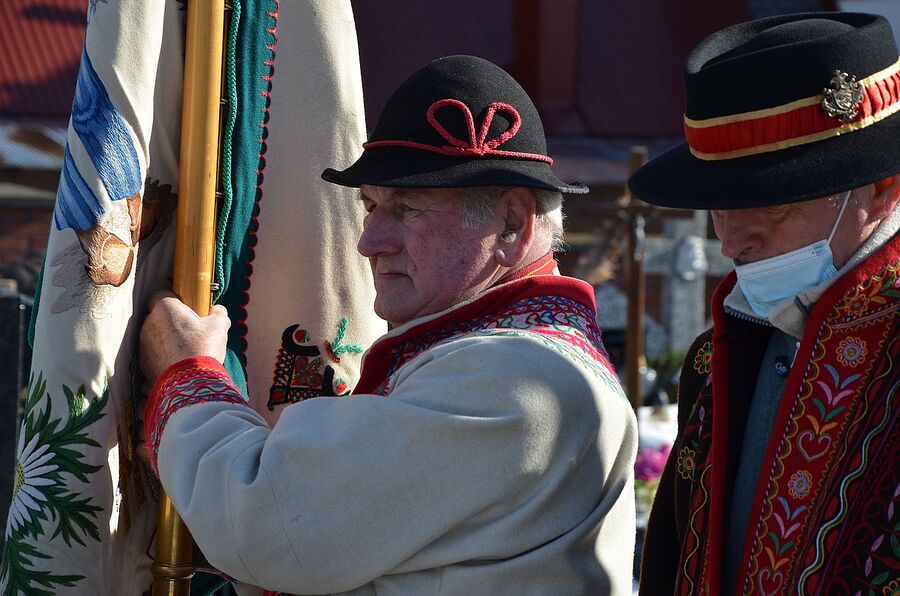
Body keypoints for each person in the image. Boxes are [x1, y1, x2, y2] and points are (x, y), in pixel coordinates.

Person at [140, 55, 637, 595]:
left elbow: (269, 522)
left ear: (512, 223)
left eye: (407, 210)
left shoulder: (515, 377)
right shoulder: (522, 354)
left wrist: (187, 374)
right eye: (370, 205)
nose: (368, 242)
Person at [627, 12, 900, 595]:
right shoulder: (716, 359)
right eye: (718, 207)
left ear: (882, 189)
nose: (730, 241)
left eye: (769, 207)